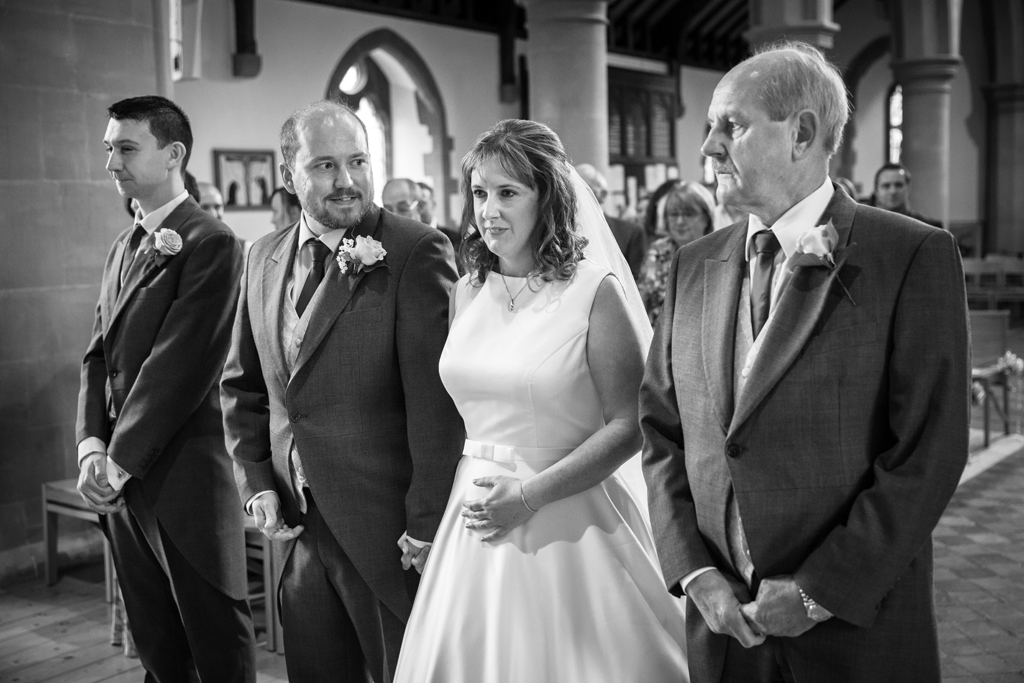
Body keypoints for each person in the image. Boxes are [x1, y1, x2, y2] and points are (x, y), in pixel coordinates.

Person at [640, 41, 969, 683]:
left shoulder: (908, 255)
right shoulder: (693, 265)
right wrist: (695, 571)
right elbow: (660, 430)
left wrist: (819, 591)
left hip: (852, 631)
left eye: (730, 126)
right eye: (709, 127)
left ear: (802, 133)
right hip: (724, 629)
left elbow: (927, 452)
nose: (708, 147)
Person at [392, 119, 688, 683]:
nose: (489, 211)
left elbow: (630, 424)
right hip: (472, 514)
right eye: (480, 193)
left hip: (567, 512)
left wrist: (529, 496)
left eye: (508, 193)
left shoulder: (593, 291)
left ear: (546, 197)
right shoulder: (467, 290)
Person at [220, 100, 464, 683]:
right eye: (325, 166)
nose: (347, 180)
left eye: (357, 161)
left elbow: (436, 404)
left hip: (387, 529)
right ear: (289, 176)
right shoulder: (262, 256)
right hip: (297, 527)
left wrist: (427, 519)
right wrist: (257, 485)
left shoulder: (414, 249)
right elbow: (243, 387)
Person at [76, 95, 255, 682]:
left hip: (184, 480)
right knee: (158, 647)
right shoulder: (122, 246)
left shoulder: (211, 242)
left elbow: (178, 368)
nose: (112, 163)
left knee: (216, 647)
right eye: (110, 149)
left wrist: (115, 463)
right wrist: (90, 448)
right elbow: (97, 356)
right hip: (122, 481)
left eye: (126, 149)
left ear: (173, 154)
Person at [637, 181, 716, 324]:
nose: (680, 221)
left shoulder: (720, 251)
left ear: (706, 218)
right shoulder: (657, 251)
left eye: (688, 214)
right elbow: (641, 300)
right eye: (674, 214)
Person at [575, 163, 647, 279]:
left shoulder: (630, 232)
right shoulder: (561, 231)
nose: (575, 195)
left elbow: (635, 280)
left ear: (603, 194)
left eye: (581, 189)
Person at [870, 162, 942, 227]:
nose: (893, 191)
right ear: (876, 190)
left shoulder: (930, 227)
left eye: (898, 185)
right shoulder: (866, 227)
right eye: (886, 186)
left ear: (908, 187)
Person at [417, 181, 462, 255]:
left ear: (433, 204)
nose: (417, 209)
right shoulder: (406, 239)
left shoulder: (454, 239)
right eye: (414, 205)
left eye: (422, 204)